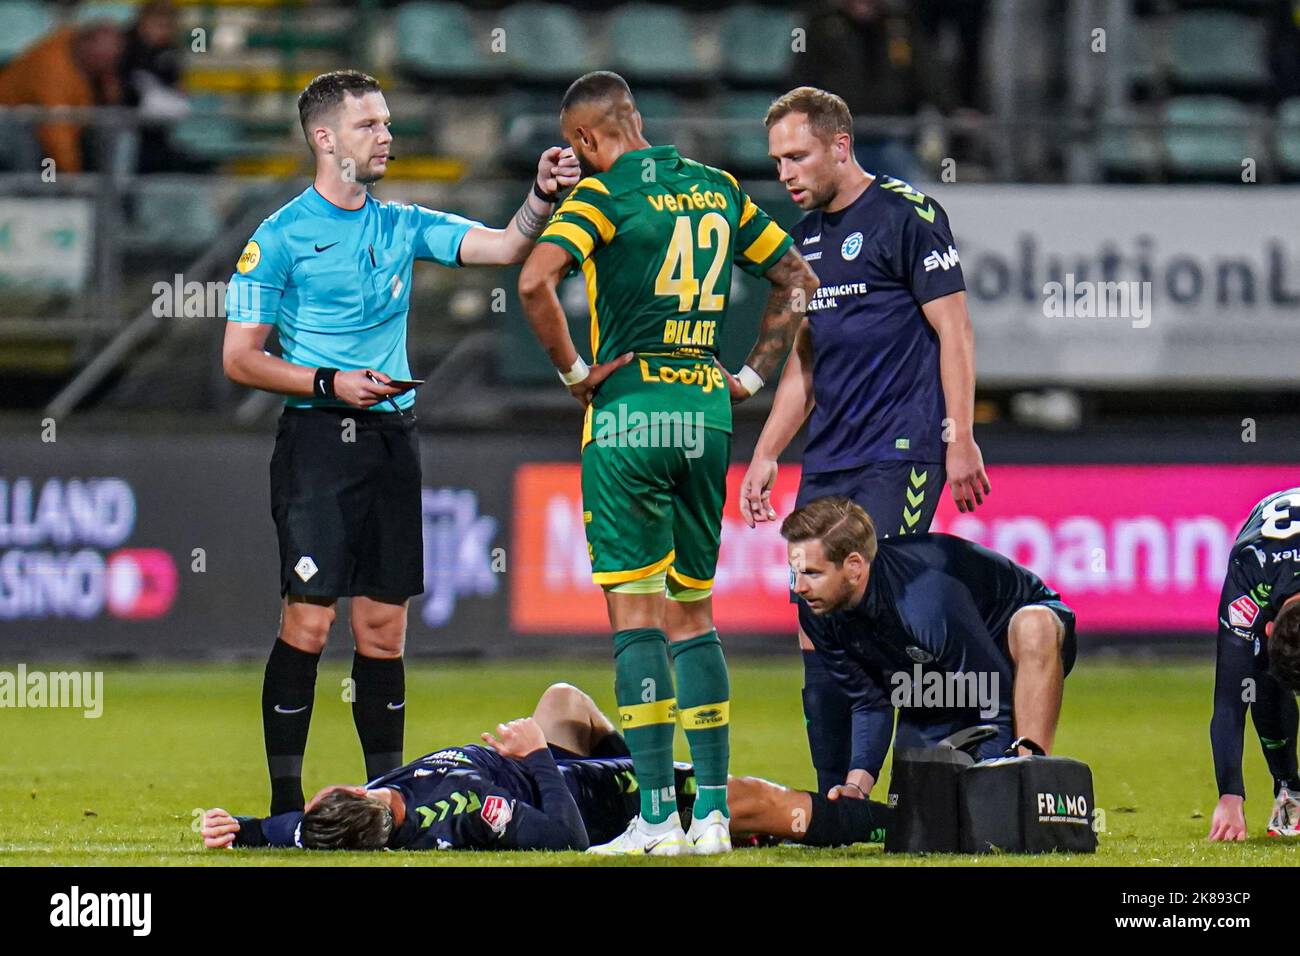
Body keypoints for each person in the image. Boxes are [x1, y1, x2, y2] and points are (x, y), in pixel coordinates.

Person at [221, 69, 580, 816]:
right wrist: (328, 383)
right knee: (310, 619)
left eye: (386, 123)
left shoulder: (403, 222)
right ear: (324, 138)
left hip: (392, 438)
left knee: (382, 629)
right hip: (319, 437)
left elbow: (507, 246)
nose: (385, 136)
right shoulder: (279, 235)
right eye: (368, 125)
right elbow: (239, 357)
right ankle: (288, 803)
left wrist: (542, 196)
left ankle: (388, 799)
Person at [518, 70, 819, 855]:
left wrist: (575, 372)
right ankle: (713, 817)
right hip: (706, 408)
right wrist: (750, 375)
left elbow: (533, 281)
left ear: (587, 139)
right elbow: (796, 277)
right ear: (635, 119)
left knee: (635, 620)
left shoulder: (600, 196)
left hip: (631, 409)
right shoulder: (717, 188)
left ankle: (656, 817)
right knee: (695, 614)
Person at [739, 86, 989, 796]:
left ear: (839, 146)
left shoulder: (906, 216)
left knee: (877, 609)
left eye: (797, 155)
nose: (785, 173)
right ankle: (834, 801)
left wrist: (959, 436)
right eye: (777, 160)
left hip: (900, 454)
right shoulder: (803, 242)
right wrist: (765, 454)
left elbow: (955, 331)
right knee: (814, 620)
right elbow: (803, 366)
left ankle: (905, 780)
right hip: (828, 458)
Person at [200, 683, 893, 852]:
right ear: (355, 793)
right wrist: (531, 752)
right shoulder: (465, 819)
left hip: (559, 755)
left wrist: (249, 828)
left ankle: (637, 750)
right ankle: (888, 824)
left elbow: (305, 830)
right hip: (599, 795)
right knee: (753, 798)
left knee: (564, 698)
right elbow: (562, 836)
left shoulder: (365, 810)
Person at [781, 497, 1075, 802]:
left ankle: (1034, 784)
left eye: (812, 573)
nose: (799, 587)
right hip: (938, 674)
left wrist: (992, 785)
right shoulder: (818, 612)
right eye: (795, 572)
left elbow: (993, 698)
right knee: (916, 804)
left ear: (854, 566)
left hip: (1008, 650)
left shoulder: (924, 601)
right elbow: (869, 701)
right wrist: (857, 786)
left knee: (1034, 625)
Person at [1208, 487, 1300, 841]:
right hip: (1267, 554)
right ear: (1270, 625)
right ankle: (1290, 788)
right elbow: (1229, 701)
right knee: (1258, 681)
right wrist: (1230, 795)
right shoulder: (1247, 574)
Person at [0, 22, 124, 173]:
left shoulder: (89, 68)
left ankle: (110, 187)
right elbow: (56, 132)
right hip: (12, 123)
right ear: (85, 45)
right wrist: (72, 178)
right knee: (39, 147)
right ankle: (34, 193)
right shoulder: (52, 69)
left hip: (48, 127)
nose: (106, 64)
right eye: (101, 57)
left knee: (109, 127)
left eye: (112, 58)